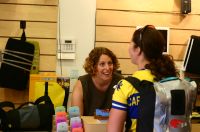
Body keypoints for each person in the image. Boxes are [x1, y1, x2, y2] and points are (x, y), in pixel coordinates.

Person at [107, 25, 180, 132]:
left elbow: (113, 130)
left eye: (130, 44)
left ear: (138, 49)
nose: (128, 48)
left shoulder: (125, 86)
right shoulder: (173, 82)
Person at [71, 47, 123, 116]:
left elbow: (124, 115)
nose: (107, 68)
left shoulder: (121, 82)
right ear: (93, 66)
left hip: (114, 126)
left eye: (110, 63)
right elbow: (76, 119)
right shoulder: (81, 84)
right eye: (102, 64)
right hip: (87, 126)